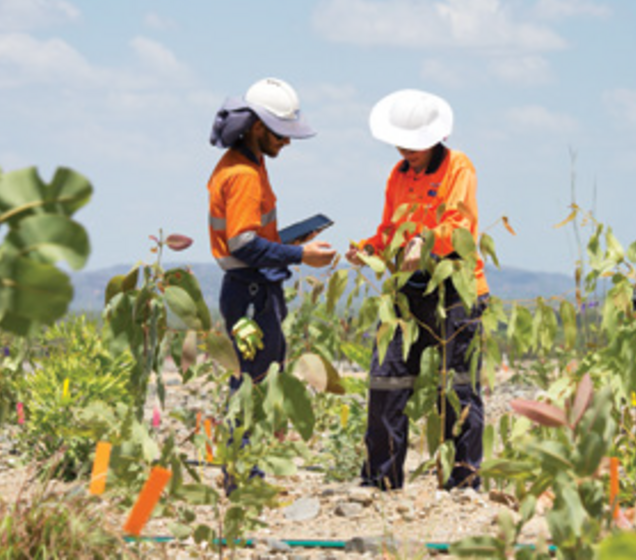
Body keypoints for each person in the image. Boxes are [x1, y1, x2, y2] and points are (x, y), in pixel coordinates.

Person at [346, 88, 491, 491]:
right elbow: (389, 230)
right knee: (386, 377)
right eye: (400, 142)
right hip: (407, 293)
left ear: (434, 138)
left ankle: (462, 482)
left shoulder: (459, 167)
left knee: (458, 385)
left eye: (414, 144)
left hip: (457, 290)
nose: (405, 150)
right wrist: (369, 249)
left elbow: (459, 228)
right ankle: (381, 478)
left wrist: (425, 240)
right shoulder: (398, 174)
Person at [208, 77, 336, 389]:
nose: (287, 142)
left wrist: (287, 242)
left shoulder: (250, 164)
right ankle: (244, 440)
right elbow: (243, 245)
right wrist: (301, 254)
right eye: (281, 134)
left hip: (252, 288)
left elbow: (249, 236)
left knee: (263, 376)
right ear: (257, 128)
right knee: (255, 381)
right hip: (250, 291)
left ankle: (253, 437)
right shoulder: (243, 175)